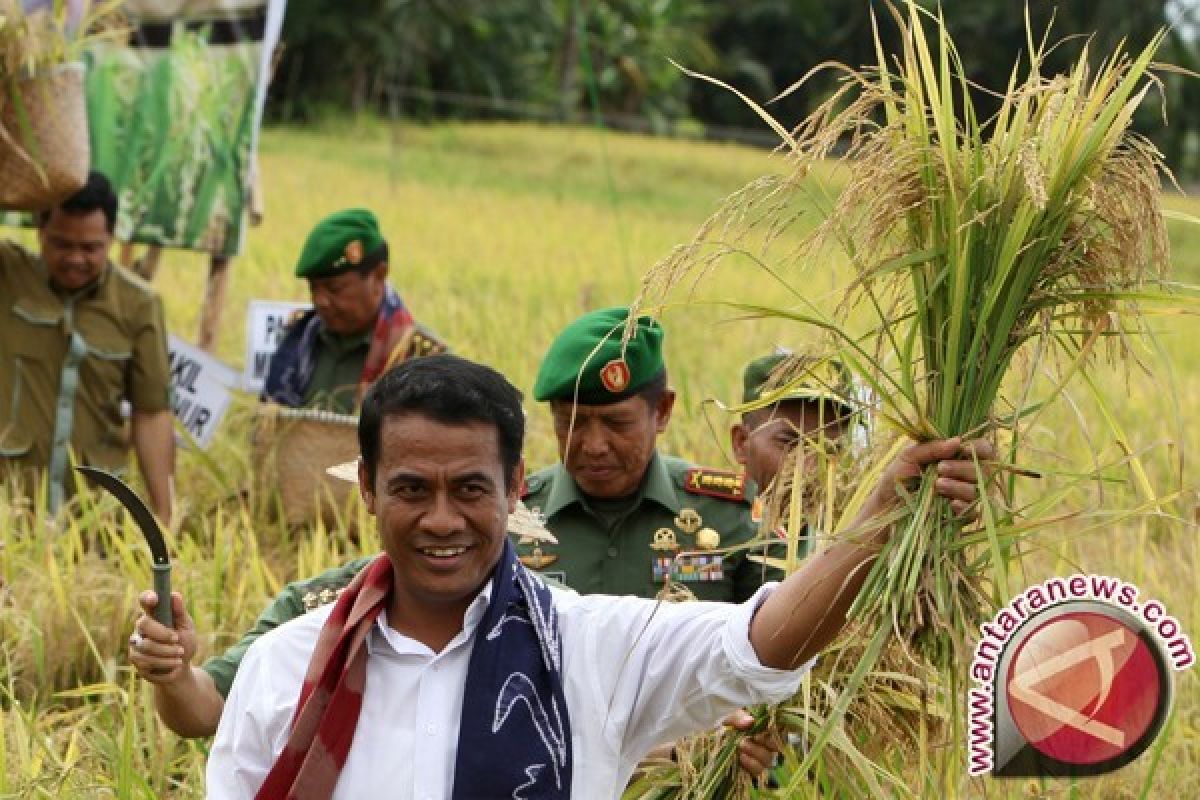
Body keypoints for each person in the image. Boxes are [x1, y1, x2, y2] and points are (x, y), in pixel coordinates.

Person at [198, 354, 986, 798]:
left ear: (515, 491)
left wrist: (880, 520)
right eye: (411, 489)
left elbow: (762, 644)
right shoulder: (288, 667)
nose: (442, 519)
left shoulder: (592, 646)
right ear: (368, 488)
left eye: (471, 489)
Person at [517, 306, 781, 602]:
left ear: (663, 411)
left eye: (617, 423)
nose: (594, 446)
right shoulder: (511, 520)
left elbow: (778, 638)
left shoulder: (732, 517)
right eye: (571, 423)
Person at [0, 171, 174, 520]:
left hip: (94, 513)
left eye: (90, 248)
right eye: (62, 244)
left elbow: (151, 412)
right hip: (12, 507)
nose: (75, 259)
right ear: (39, 231)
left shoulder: (138, 304)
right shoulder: (9, 276)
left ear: (111, 238)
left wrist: (164, 518)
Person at [261, 208, 446, 414]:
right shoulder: (300, 338)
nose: (320, 301)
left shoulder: (420, 357)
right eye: (313, 288)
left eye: (334, 289)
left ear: (378, 275)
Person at [731, 351, 858, 558]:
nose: (809, 468)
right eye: (789, 443)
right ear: (741, 443)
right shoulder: (709, 531)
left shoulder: (857, 542)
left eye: (830, 450)